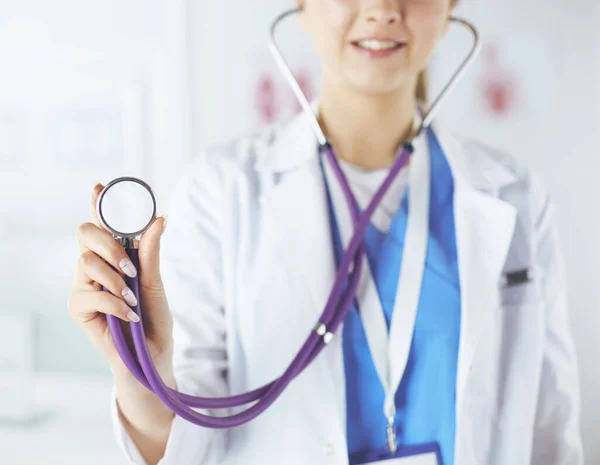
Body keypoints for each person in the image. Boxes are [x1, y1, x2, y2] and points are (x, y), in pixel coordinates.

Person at [67, 1, 584, 464]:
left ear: (451, 7)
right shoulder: (221, 190)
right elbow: (186, 448)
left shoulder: (514, 196)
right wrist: (142, 372)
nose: (383, 9)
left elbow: (550, 424)